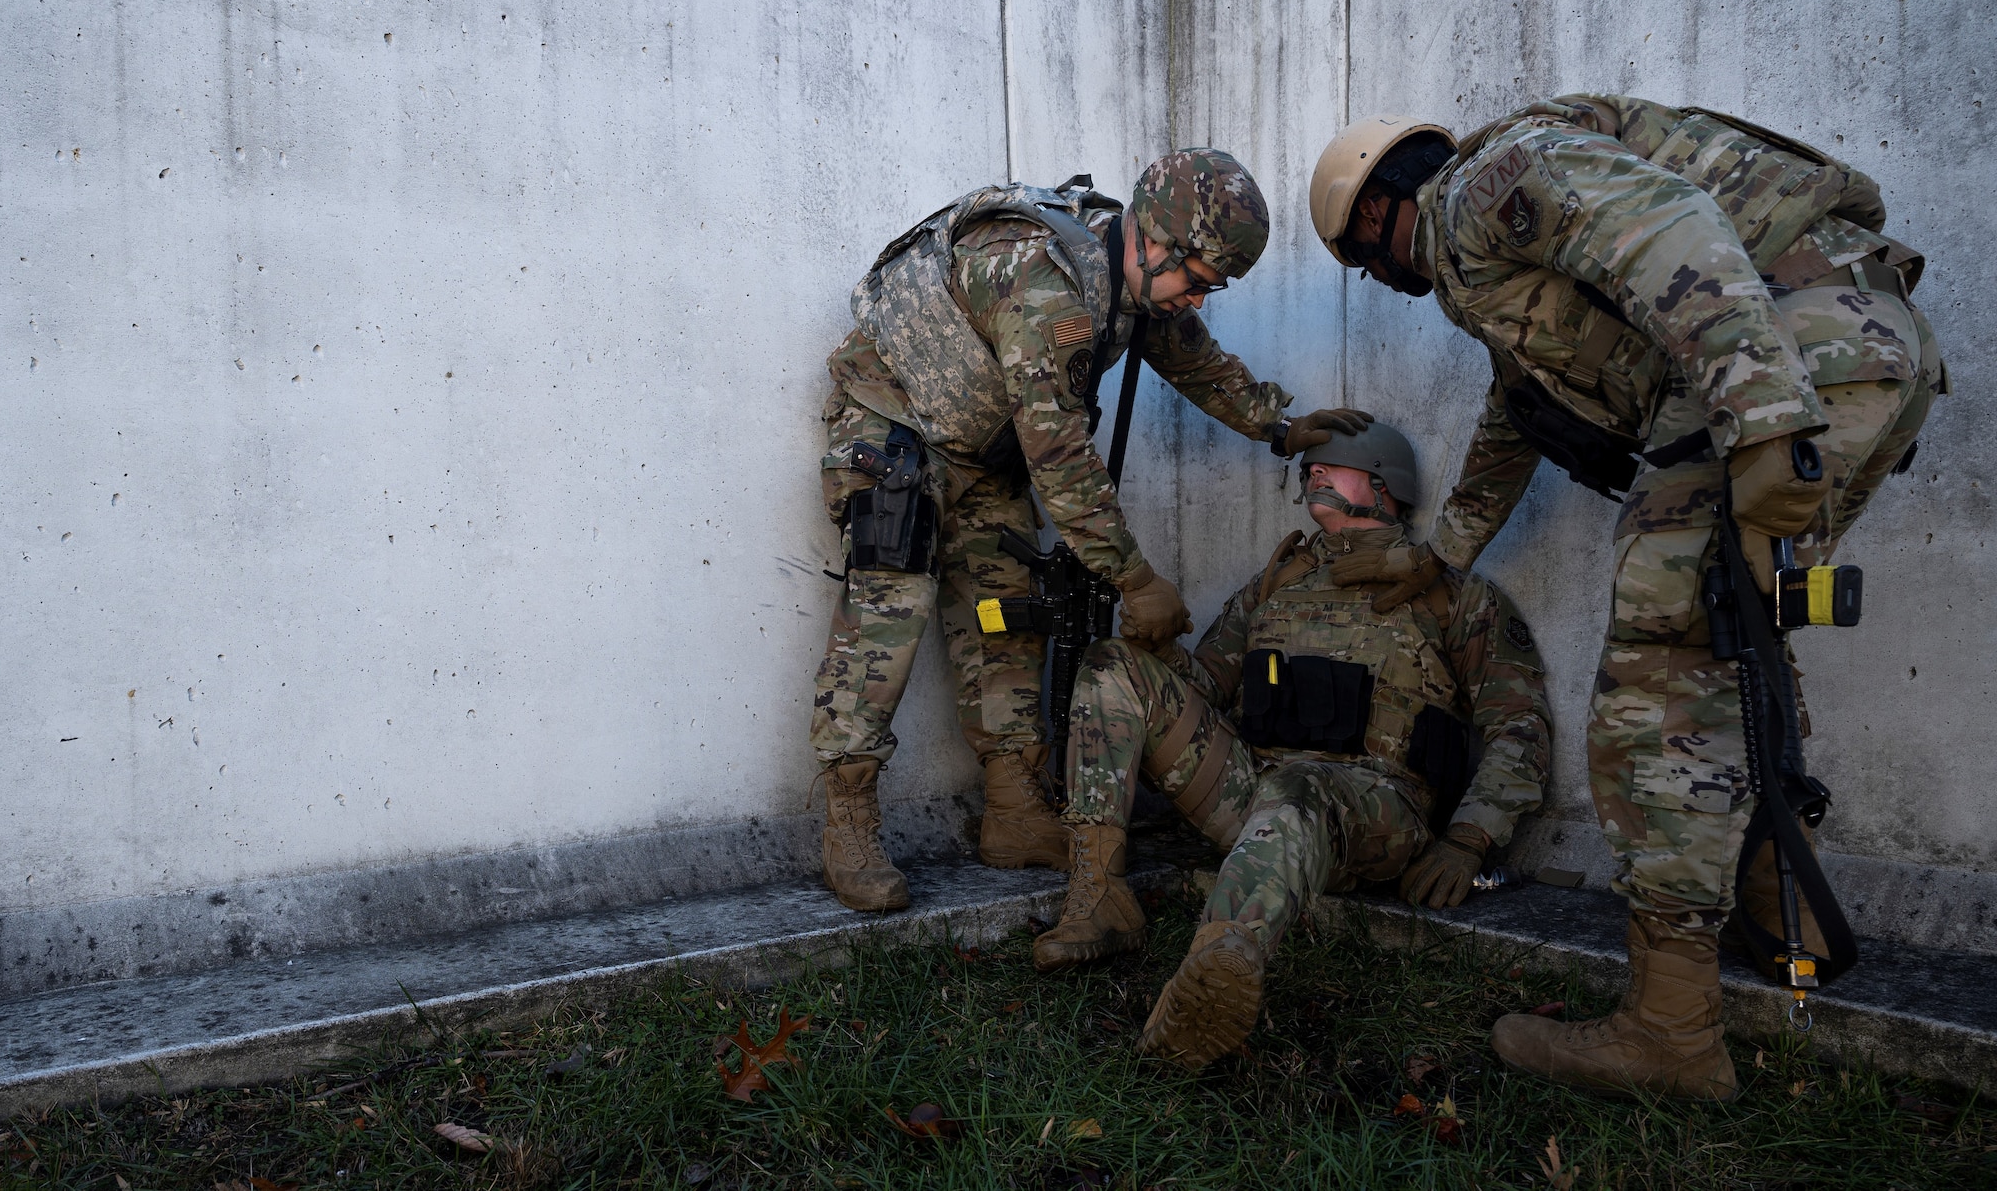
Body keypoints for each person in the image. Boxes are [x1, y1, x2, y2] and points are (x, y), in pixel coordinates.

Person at [1308, 97, 1946, 1099]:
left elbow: (1663, 224)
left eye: (1361, 262)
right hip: (1845, 344)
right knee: (1724, 637)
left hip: (1787, 353)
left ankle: (1669, 1028)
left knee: (1653, 675)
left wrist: (1761, 407)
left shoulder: (1487, 184)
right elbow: (1510, 421)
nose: (1381, 285)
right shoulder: (1495, 263)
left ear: (1379, 215)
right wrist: (1439, 558)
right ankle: (1784, 908)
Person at [813, 151, 1368, 913]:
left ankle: (1013, 808)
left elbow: (1193, 361)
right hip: (894, 417)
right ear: (1157, 242)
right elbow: (1064, 463)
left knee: (1005, 608)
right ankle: (847, 815)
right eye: (1198, 280)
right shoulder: (1047, 292)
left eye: (1213, 286)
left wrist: (1279, 422)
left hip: (980, 438)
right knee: (892, 597)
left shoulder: (1129, 274)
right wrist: (1136, 581)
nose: (1199, 301)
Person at [1030, 420, 1551, 1072]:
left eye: (1333, 463)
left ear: (1384, 482)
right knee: (1114, 665)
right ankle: (1098, 894)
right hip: (1255, 792)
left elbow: (1521, 726)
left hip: (1374, 806)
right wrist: (1151, 647)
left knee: (1297, 788)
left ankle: (1219, 968)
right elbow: (1204, 686)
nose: (1315, 472)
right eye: (1309, 467)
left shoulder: (1450, 592)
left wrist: (1468, 837)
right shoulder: (1275, 583)